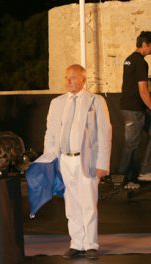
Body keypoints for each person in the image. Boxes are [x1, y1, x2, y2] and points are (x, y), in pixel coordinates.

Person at [43, 64, 112, 260]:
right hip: (64, 160)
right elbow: (50, 133)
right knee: (71, 204)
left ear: (83, 79)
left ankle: (91, 244)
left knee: (88, 203)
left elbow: (105, 134)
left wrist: (102, 163)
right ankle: (76, 243)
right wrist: (49, 159)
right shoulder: (57, 103)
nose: (68, 81)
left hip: (86, 160)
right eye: (66, 77)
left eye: (73, 77)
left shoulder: (95, 101)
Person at [118, 31, 151, 189]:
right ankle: (123, 180)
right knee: (131, 145)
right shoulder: (141, 62)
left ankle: (145, 171)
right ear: (145, 44)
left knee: (133, 143)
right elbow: (143, 91)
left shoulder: (129, 59)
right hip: (134, 109)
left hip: (130, 107)